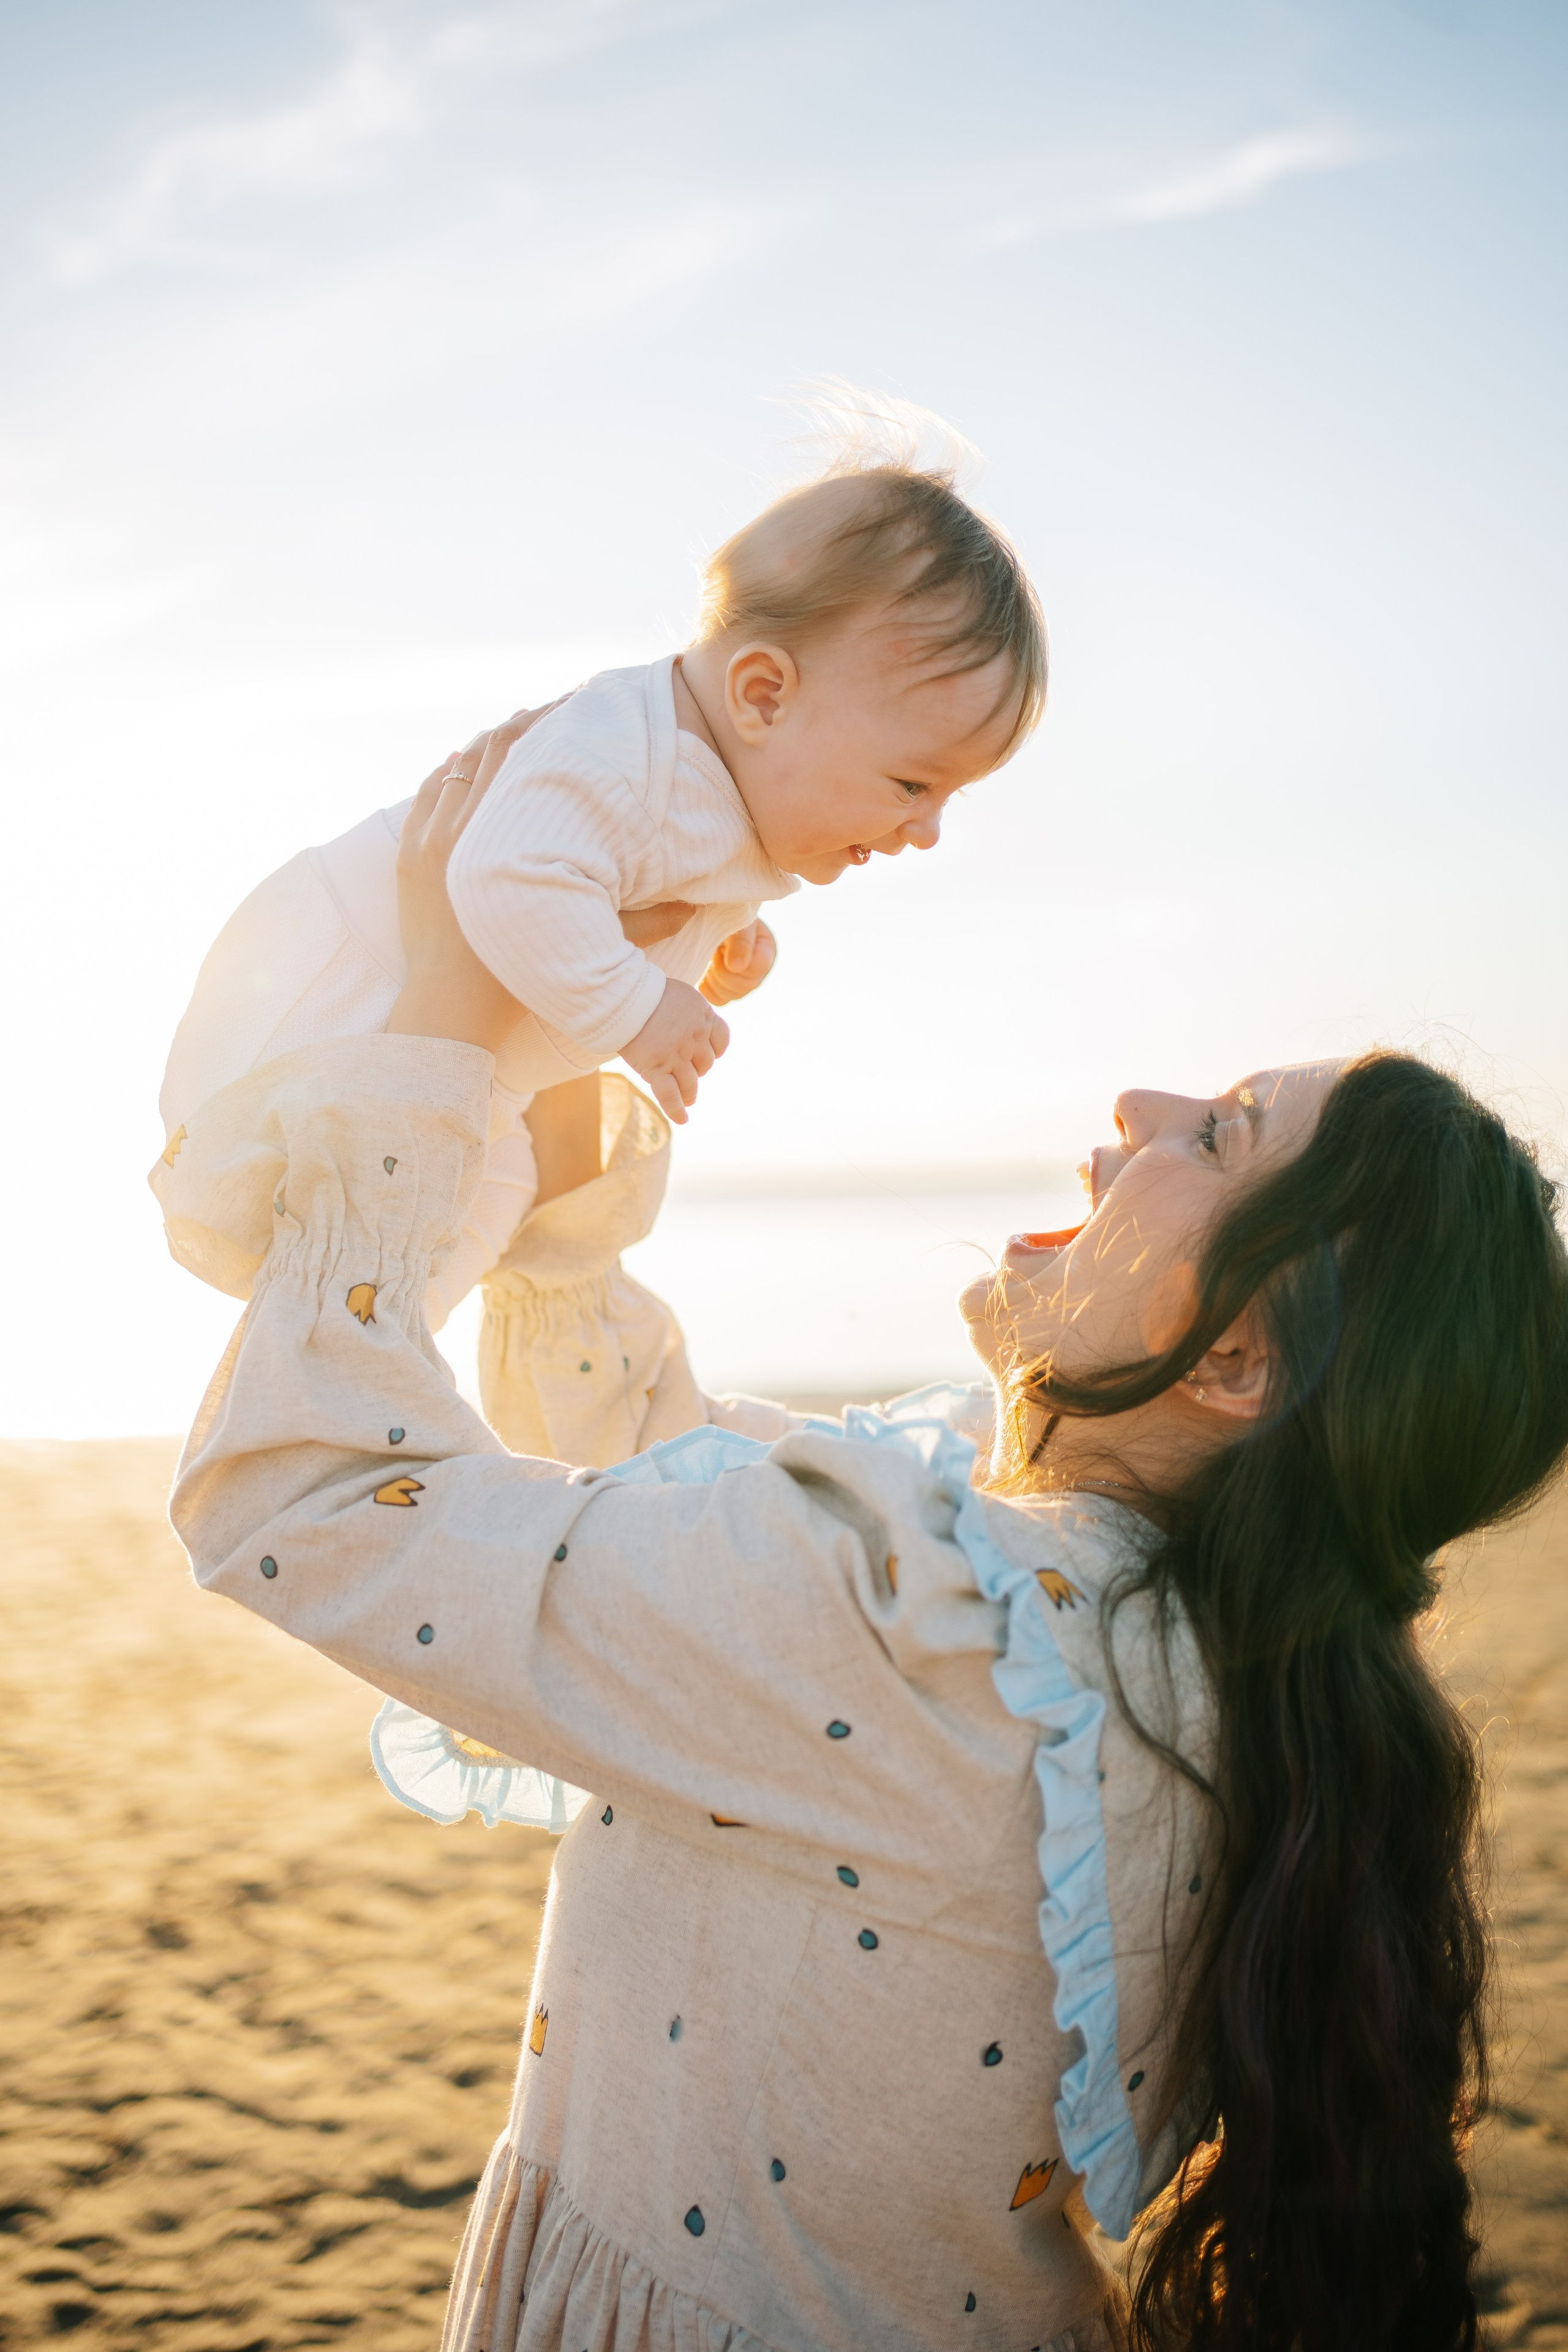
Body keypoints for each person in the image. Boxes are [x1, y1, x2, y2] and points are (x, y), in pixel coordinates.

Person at [168, 775, 1568, 2352]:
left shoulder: (926, 1620)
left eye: (1221, 1133)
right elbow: (674, 1488)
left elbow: (308, 1502)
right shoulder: (1236, 1671)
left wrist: (427, 1042)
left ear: (1236, 1360)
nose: (1137, 1106)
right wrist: (558, 1138)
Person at [151, 455, 1047, 1345]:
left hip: (469, 1065)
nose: (925, 830)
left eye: (946, 798)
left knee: (476, 1214)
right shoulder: (623, 748)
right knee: (346, 1225)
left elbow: (627, 886)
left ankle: (392, 1365)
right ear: (764, 696)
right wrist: (641, 1001)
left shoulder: (715, 787)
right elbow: (506, 878)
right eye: (909, 783)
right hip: (342, 990)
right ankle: (353, 1355)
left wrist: (715, 944)